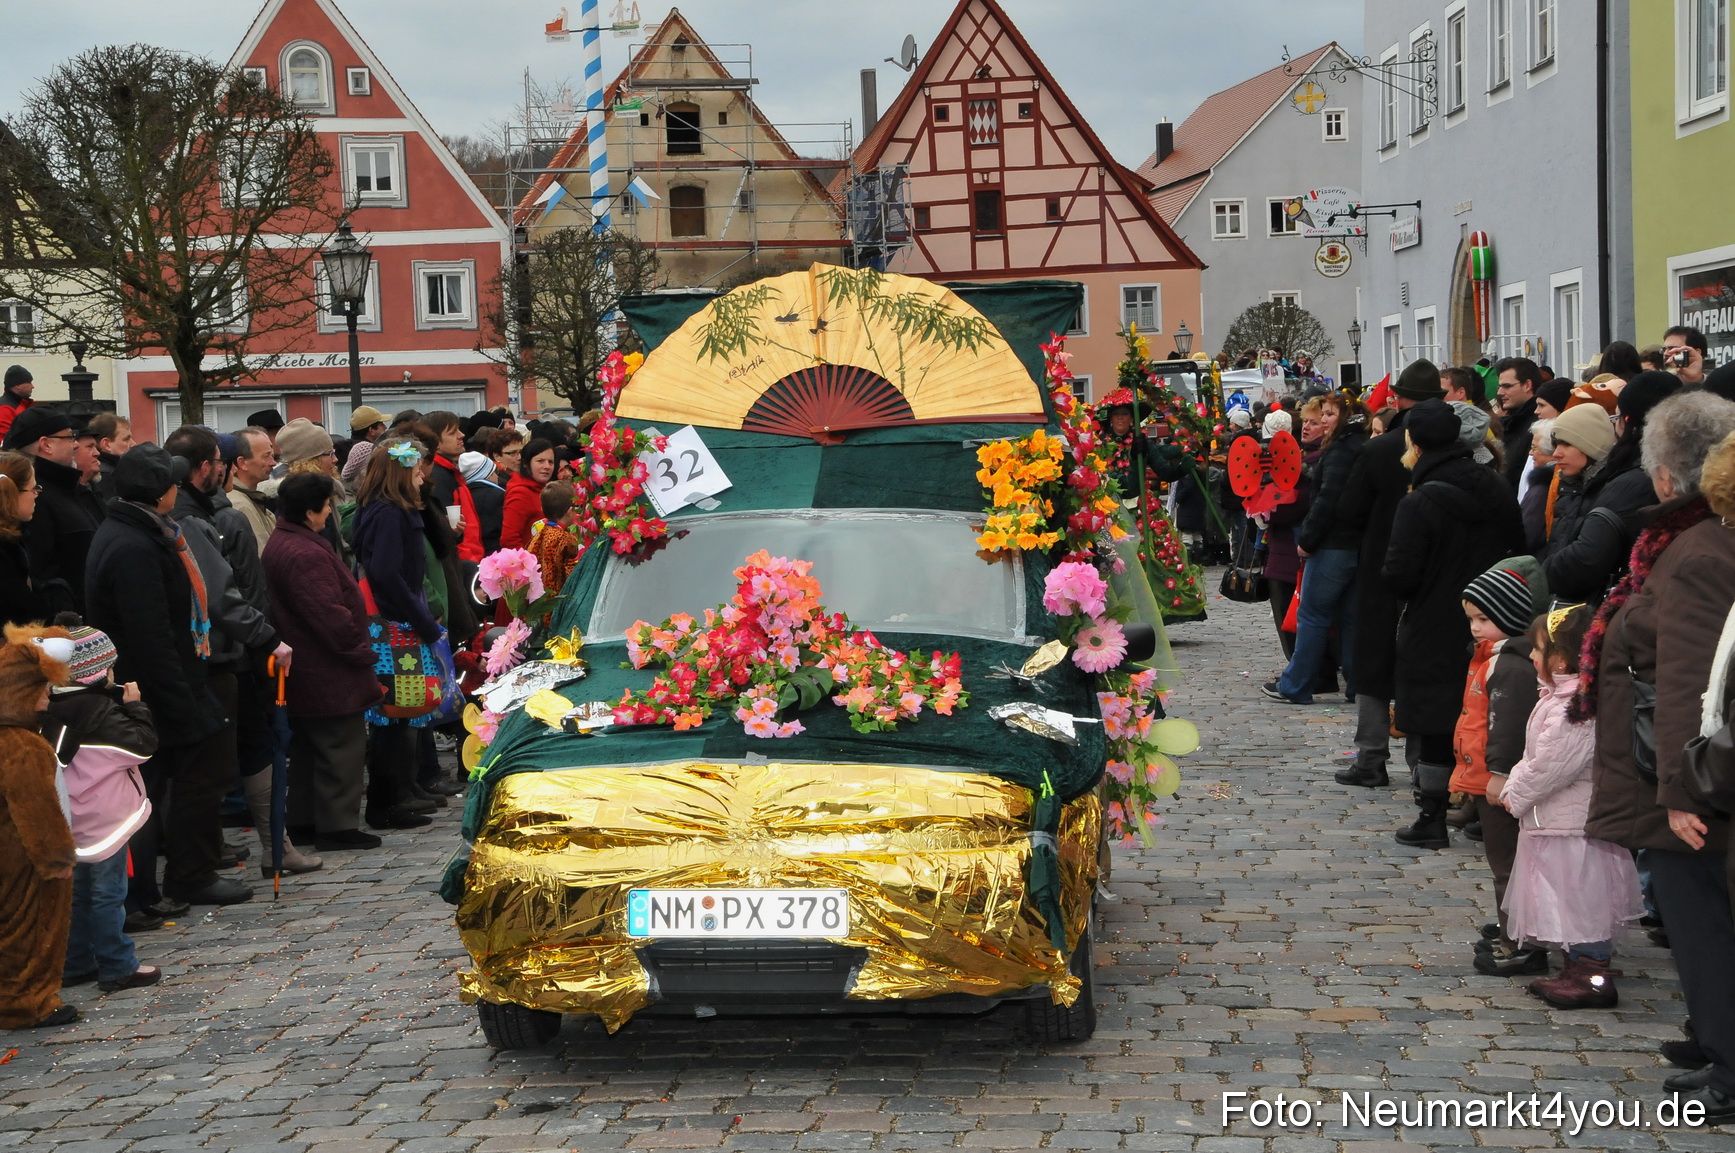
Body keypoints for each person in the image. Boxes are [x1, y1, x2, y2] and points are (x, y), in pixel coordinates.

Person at [1579, 393, 1735, 1120]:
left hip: (1689, 776)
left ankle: (1727, 1060)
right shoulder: (1693, 542)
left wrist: (1679, 787)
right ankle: (1712, 1036)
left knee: (1699, 915)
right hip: (1681, 767)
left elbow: (1688, 679)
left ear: (1668, 479)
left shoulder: (1698, 552)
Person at [85, 445, 239, 911]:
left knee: (174, 783)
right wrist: (182, 703)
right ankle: (178, 880)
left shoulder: (142, 532)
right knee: (172, 784)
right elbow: (149, 635)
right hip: (155, 689)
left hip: (169, 682)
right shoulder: (133, 544)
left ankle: (167, 883)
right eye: (173, 485)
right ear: (159, 493)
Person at [1382, 398, 1526, 846]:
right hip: (1496, 615)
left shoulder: (1420, 500)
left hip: (1434, 620)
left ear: (1416, 444)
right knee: (1489, 712)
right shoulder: (1496, 485)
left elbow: (1400, 574)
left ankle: (1432, 816)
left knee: (1434, 720)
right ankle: (1484, 810)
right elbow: (1518, 549)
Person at [1498, 603, 1644, 1006]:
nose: (1531, 655)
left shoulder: (1574, 709)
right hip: (1555, 823)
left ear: (1560, 658)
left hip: (1572, 828)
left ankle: (1593, 977)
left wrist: (1515, 792)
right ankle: (1575, 967)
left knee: (1582, 902)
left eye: (1538, 649)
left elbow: (1551, 765)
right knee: (1563, 900)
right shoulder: (1559, 699)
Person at [1333, 361, 1445, 787]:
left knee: (1373, 662)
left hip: (1381, 567)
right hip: (1435, 572)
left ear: (1398, 399)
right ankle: (1423, 760)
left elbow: (1349, 510)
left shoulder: (1379, 449)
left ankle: (1371, 757)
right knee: (1424, 662)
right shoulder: (1459, 448)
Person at [263, 473, 383, 853]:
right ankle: (336, 824)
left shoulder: (285, 543)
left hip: (308, 664)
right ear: (311, 511)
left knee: (309, 752)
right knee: (339, 748)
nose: (330, 511)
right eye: (327, 505)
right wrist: (361, 651)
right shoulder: (304, 553)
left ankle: (305, 820)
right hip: (326, 667)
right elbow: (329, 616)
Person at [41, 619, 161, 994]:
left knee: (77, 892)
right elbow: (143, 746)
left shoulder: (49, 709)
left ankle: (76, 961)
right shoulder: (100, 712)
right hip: (106, 819)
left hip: (71, 815)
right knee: (109, 892)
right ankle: (117, 964)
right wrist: (136, 707)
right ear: (97, 673)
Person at [1455, 558, 1550, 976]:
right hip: (1487, 777)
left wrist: (1496, 774)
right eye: (1472, 618)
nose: (1475, 627)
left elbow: (1505, 727)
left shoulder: (1510, 666)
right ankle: (1515, 929)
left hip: (1500, 781)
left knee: (1508, 866)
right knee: (1507, 864)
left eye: (1483, 618)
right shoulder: (1494, 657)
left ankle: (1522, 942)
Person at [350, 437, 441, 832]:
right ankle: (387, 801)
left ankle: (401, 791)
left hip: (393, 621)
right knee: (393, 713)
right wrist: (419, 619)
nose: (423, 475)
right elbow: (387, 572)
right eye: (417, 468)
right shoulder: (390, 513)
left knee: (401, 712)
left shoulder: (385, 509)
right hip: (393, 624)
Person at [1261, 394, 1367, 705]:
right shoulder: (1360, 447)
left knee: (1313, 615)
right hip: (1355, 546)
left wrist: (1307, 540)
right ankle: (1356, 684)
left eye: (1329, 414)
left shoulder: (1338, 452)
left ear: (1344, 418)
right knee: (1349, 617)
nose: (1322, 420)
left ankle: (1296, 685)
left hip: (1333, 545)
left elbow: (1326, 502)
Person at [1543, 373, 1680, 603]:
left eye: (1617, 416)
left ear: (1629, 422)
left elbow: (1585, 559)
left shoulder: (1629, 482)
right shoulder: (1675, 469)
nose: (1556, 454)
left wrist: (1540, 573)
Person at [0, 625, 78, 1029]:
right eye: (43, 691)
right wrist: (58, 859)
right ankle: (26, 1003)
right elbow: (37, 811)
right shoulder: (22, 745)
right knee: (29, 931)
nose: (48, 698)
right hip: (22, 860)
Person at [6, 408, 97, 616]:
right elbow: (40, 572)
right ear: (46, 444)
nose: (76, 444)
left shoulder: (67, 489)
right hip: (66, 630)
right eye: (70, 437)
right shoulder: (35, 499)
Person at [423, 411, 483, 563]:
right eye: (452, 433)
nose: (461, 435)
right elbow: (449, 529)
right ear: (434, 443)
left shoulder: (449, 472)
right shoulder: (437, 478)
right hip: (463, 563)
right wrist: (469, 563)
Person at [0, 453, 45, 627]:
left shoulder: (12, 540)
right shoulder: (6, 552)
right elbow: (25, 613)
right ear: (12, 493)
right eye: (33, 488)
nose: (37, 494)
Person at [227, 426, 278, 555]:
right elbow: (263, 558)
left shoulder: (252, 499)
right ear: (242, 463)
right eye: (266, 456)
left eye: (272, 456)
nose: (273, 463)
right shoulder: (241, 506)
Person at [1494, 357, 1543, 492]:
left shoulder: (1537, 425)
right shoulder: (1514, 420)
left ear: (1527, 385)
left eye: (1507, 386)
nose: (1500, 392)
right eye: (1499, 387)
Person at [529, 481, 583, 596]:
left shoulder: (541, 532)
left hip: (539, 598)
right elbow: (572, 575)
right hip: (556, 600)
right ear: (569, 511)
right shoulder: (566, 540)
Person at [501, 437, 555, 551]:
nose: (547, 466)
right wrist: (528, 565)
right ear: (526, 464)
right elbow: (509, 539)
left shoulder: (546, 488)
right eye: (540, 461)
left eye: (551, 462)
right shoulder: (520, 493)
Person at [1519, 422, 1556, 555]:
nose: (1530, 453)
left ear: (1551, 453)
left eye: (1535, 448)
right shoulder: (1549, 484)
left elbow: (1527, 536)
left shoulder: (1541, 491)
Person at [462, 450, 504, 556]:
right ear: (487, 475)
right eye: (494, 472)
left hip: (476, 553)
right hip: (496, 552)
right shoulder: (498, 495)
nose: (497, 476)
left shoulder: (464, 494)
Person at [341, 406, 389, 487]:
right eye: (381, 424)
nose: (385, 427)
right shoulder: (367, 450)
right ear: (371, 430)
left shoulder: (347, 451)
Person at [88, 414, 132, 503]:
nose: (133, 444)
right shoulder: (106, 476)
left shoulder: (117, 470)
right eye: (126, 439)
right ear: (106, 444)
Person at [0, 366, 33, 441]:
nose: (32, 386)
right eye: (29, 382)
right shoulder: (5, 408)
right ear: (17, 385)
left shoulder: (21, 405)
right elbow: (4, 443)